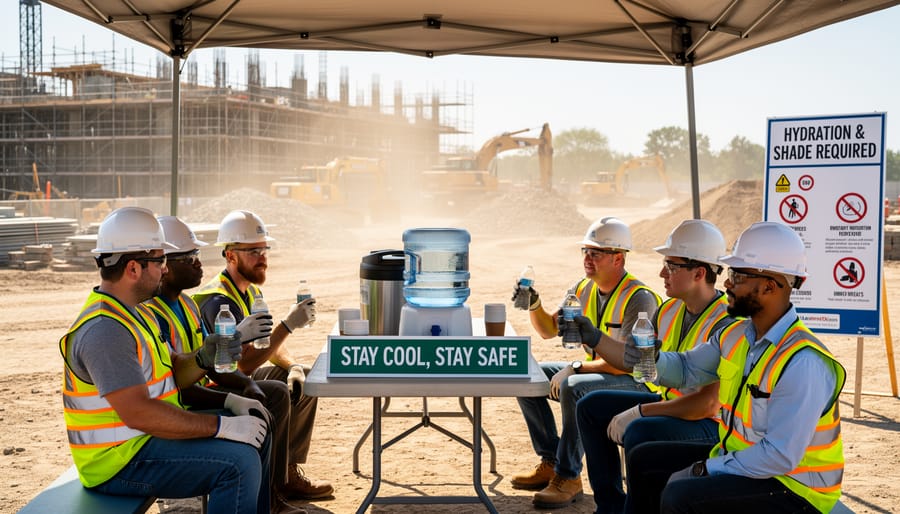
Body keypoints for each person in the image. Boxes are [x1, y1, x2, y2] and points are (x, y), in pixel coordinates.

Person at [576, 221, 846, 513]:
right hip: (745, 458)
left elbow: (780, 456)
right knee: (645, 459)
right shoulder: (736, 335)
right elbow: (685, 369)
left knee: (681, 495)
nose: (727, 282)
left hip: (794, 487)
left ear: (770, 285)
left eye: (738, 275)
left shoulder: (803, 361)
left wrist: (706, 468)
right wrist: (650, 357)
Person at [60, 206, 272, 513]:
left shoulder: (135, 313)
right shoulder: (105, 330)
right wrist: (221, 427)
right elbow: (139, 414)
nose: (165, 269)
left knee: (257, 430)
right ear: (133, 268)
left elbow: (173, 371)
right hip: (118, 462)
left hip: (144, 441)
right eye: (160, 260)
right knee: (238, 464)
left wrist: (205, 362)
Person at [574, 219, 737, 514]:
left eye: (671, 266)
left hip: (710, 424)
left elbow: (707, 404)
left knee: (640, 431)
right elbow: (638, 361)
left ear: (700, 272)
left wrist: (641, 411)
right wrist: (595, 338)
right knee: (591, 407)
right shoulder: (670, 308)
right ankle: (611, 507)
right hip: (672, 404)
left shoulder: (726, 324)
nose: (662, 273)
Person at [144, 216, 305, 513]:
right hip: (182, 408)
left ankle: (274, 493)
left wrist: (249, 386)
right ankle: (267, 499)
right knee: (258, 420)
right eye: (189, 257)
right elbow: (176, 387)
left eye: (264, 250)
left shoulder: (188, 304)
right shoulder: (166, 312)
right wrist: (234, 397)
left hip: (202, 391)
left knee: (276, 395)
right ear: (164, 265)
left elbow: (219, 363)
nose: (198, 262)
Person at [510, 216, 661, 509]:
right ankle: (552, 460)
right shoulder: (583, 287)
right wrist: (534, 303)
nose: (588, 259)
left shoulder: (640, 299)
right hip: (600, 372)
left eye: (596, 253)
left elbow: (629, 364)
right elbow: (547, 330)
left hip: (638, 382)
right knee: (527, 375)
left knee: (575, 386)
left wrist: (575, 367)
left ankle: (568, 476)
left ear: (619, 258)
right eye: (585, 252)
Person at [193, 210, 333, 500]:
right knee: (278, 391)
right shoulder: (219, 301)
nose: (262, 257)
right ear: (230, 256)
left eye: (264, 249)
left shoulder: (248, 291)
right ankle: (273, 487)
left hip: (236, 377)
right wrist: (288, 325)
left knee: (303, 377)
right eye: (253, 251)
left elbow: (265, 344)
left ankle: (287, 472)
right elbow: (243, 364)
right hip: (215, 385)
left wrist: (292, 364)